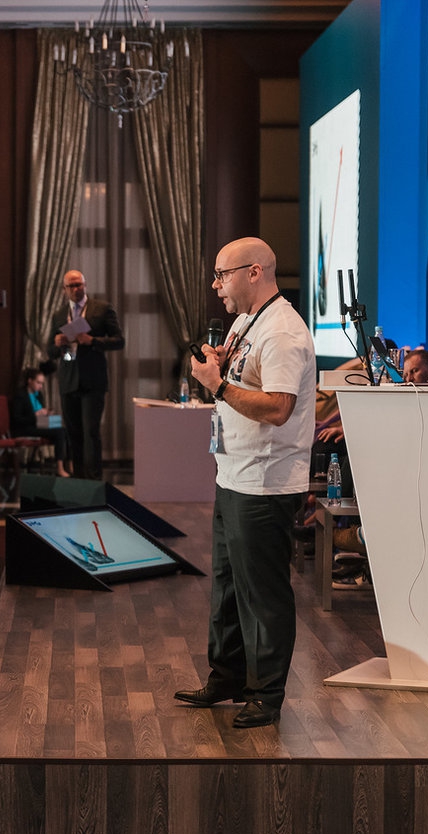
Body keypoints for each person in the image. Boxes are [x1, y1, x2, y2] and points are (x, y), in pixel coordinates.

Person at [175, 237, 316, 729]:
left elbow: (278, 407)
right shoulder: (245, 322)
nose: (216, 285)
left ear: (254, 272)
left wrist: (216, 385)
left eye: (222, 274)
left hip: (265, 480)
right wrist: (221, 363)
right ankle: (228, 676)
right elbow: (245, 377)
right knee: (228, 587)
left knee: (262, 593)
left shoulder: (283, 332)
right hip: (234, 472)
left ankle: (266, 694)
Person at [46, 269, 124, 480]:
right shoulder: (59, 315)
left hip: (93, 380)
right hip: (68, 380)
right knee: (73, 434)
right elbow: (50, 352)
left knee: (91, 432)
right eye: (71, 286)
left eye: (79, 284)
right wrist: (57, 344)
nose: (76, 289)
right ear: (64, 290)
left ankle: (94, 481)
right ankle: (78, 480)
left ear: (85, 285)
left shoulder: (102, 309)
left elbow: (119, 341)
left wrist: (93, 341)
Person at [10, 367, 70, 477]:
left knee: (65, 429)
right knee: (60, 432)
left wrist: (46, 413)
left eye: (42, 383)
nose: (41, 386)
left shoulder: (39, 395)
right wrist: (35, 415)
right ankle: (60, 467)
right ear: (30, 381)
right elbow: (17, 419)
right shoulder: (20, 395)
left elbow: (39, 413)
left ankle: (70, 464)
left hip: (38, 423)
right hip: (25, 427)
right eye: (38, 383)